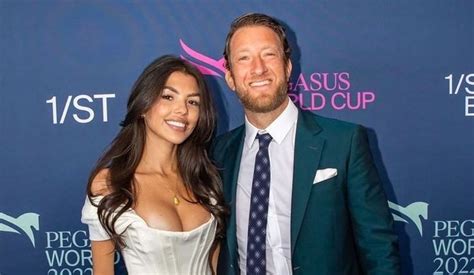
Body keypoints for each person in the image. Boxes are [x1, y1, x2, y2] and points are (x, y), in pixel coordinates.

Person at [212, 13, 401, 274]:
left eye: (269, 54)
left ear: (288, 66)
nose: (258, 68)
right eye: (244, 58)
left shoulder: (344, 142)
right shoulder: (218, 153)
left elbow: (378, 247)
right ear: (231, 77)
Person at [81, 55, 227, 275]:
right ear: (143, 106)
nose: (182, 110)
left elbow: (214, 266)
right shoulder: (109, 183)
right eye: (168, 97)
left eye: (192, 102)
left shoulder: (206, 179)